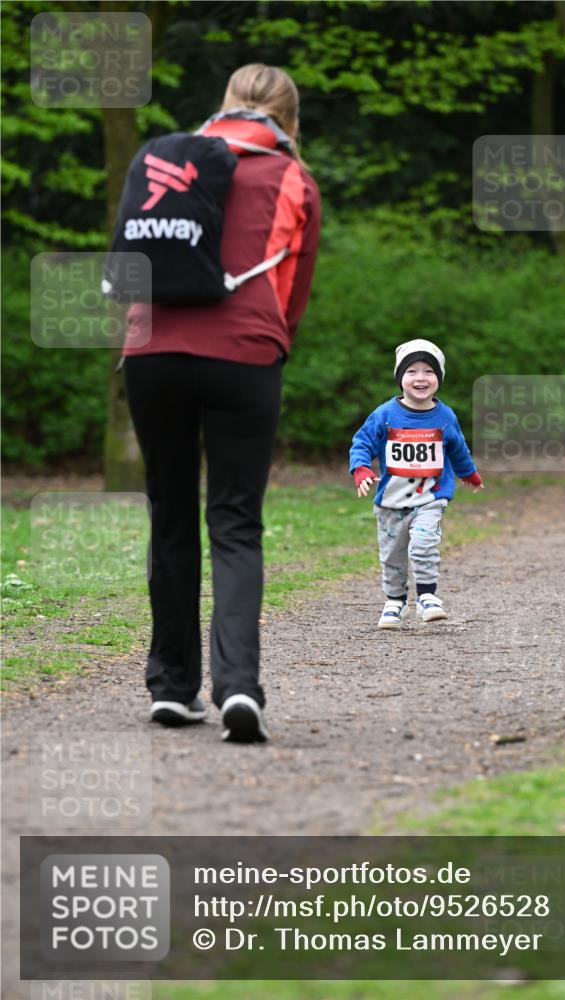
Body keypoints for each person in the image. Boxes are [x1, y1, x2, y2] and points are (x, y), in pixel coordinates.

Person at [122, 64, 321, 741]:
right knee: (235, 522)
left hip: (151, 353)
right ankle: (238, 688)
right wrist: (269, 348)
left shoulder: (165, 162)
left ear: (222, 107)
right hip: (244, 356)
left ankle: (171, 688)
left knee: (169, 514)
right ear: (290, 121)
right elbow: (292, 292)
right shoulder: (292, 177)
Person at [349, 339, 483, 629]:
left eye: (428, 372)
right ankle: (395, 602)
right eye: (412, 371)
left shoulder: (445, 417)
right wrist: (360, 469)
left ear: (439, 378)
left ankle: (427, 597)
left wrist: (469, 473)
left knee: (424, 544)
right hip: (391, 502)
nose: (420, 378)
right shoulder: (385, 414)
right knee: (393, 556)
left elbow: (458, 448)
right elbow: (362, 442)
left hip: (430, 498)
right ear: (400, 378)